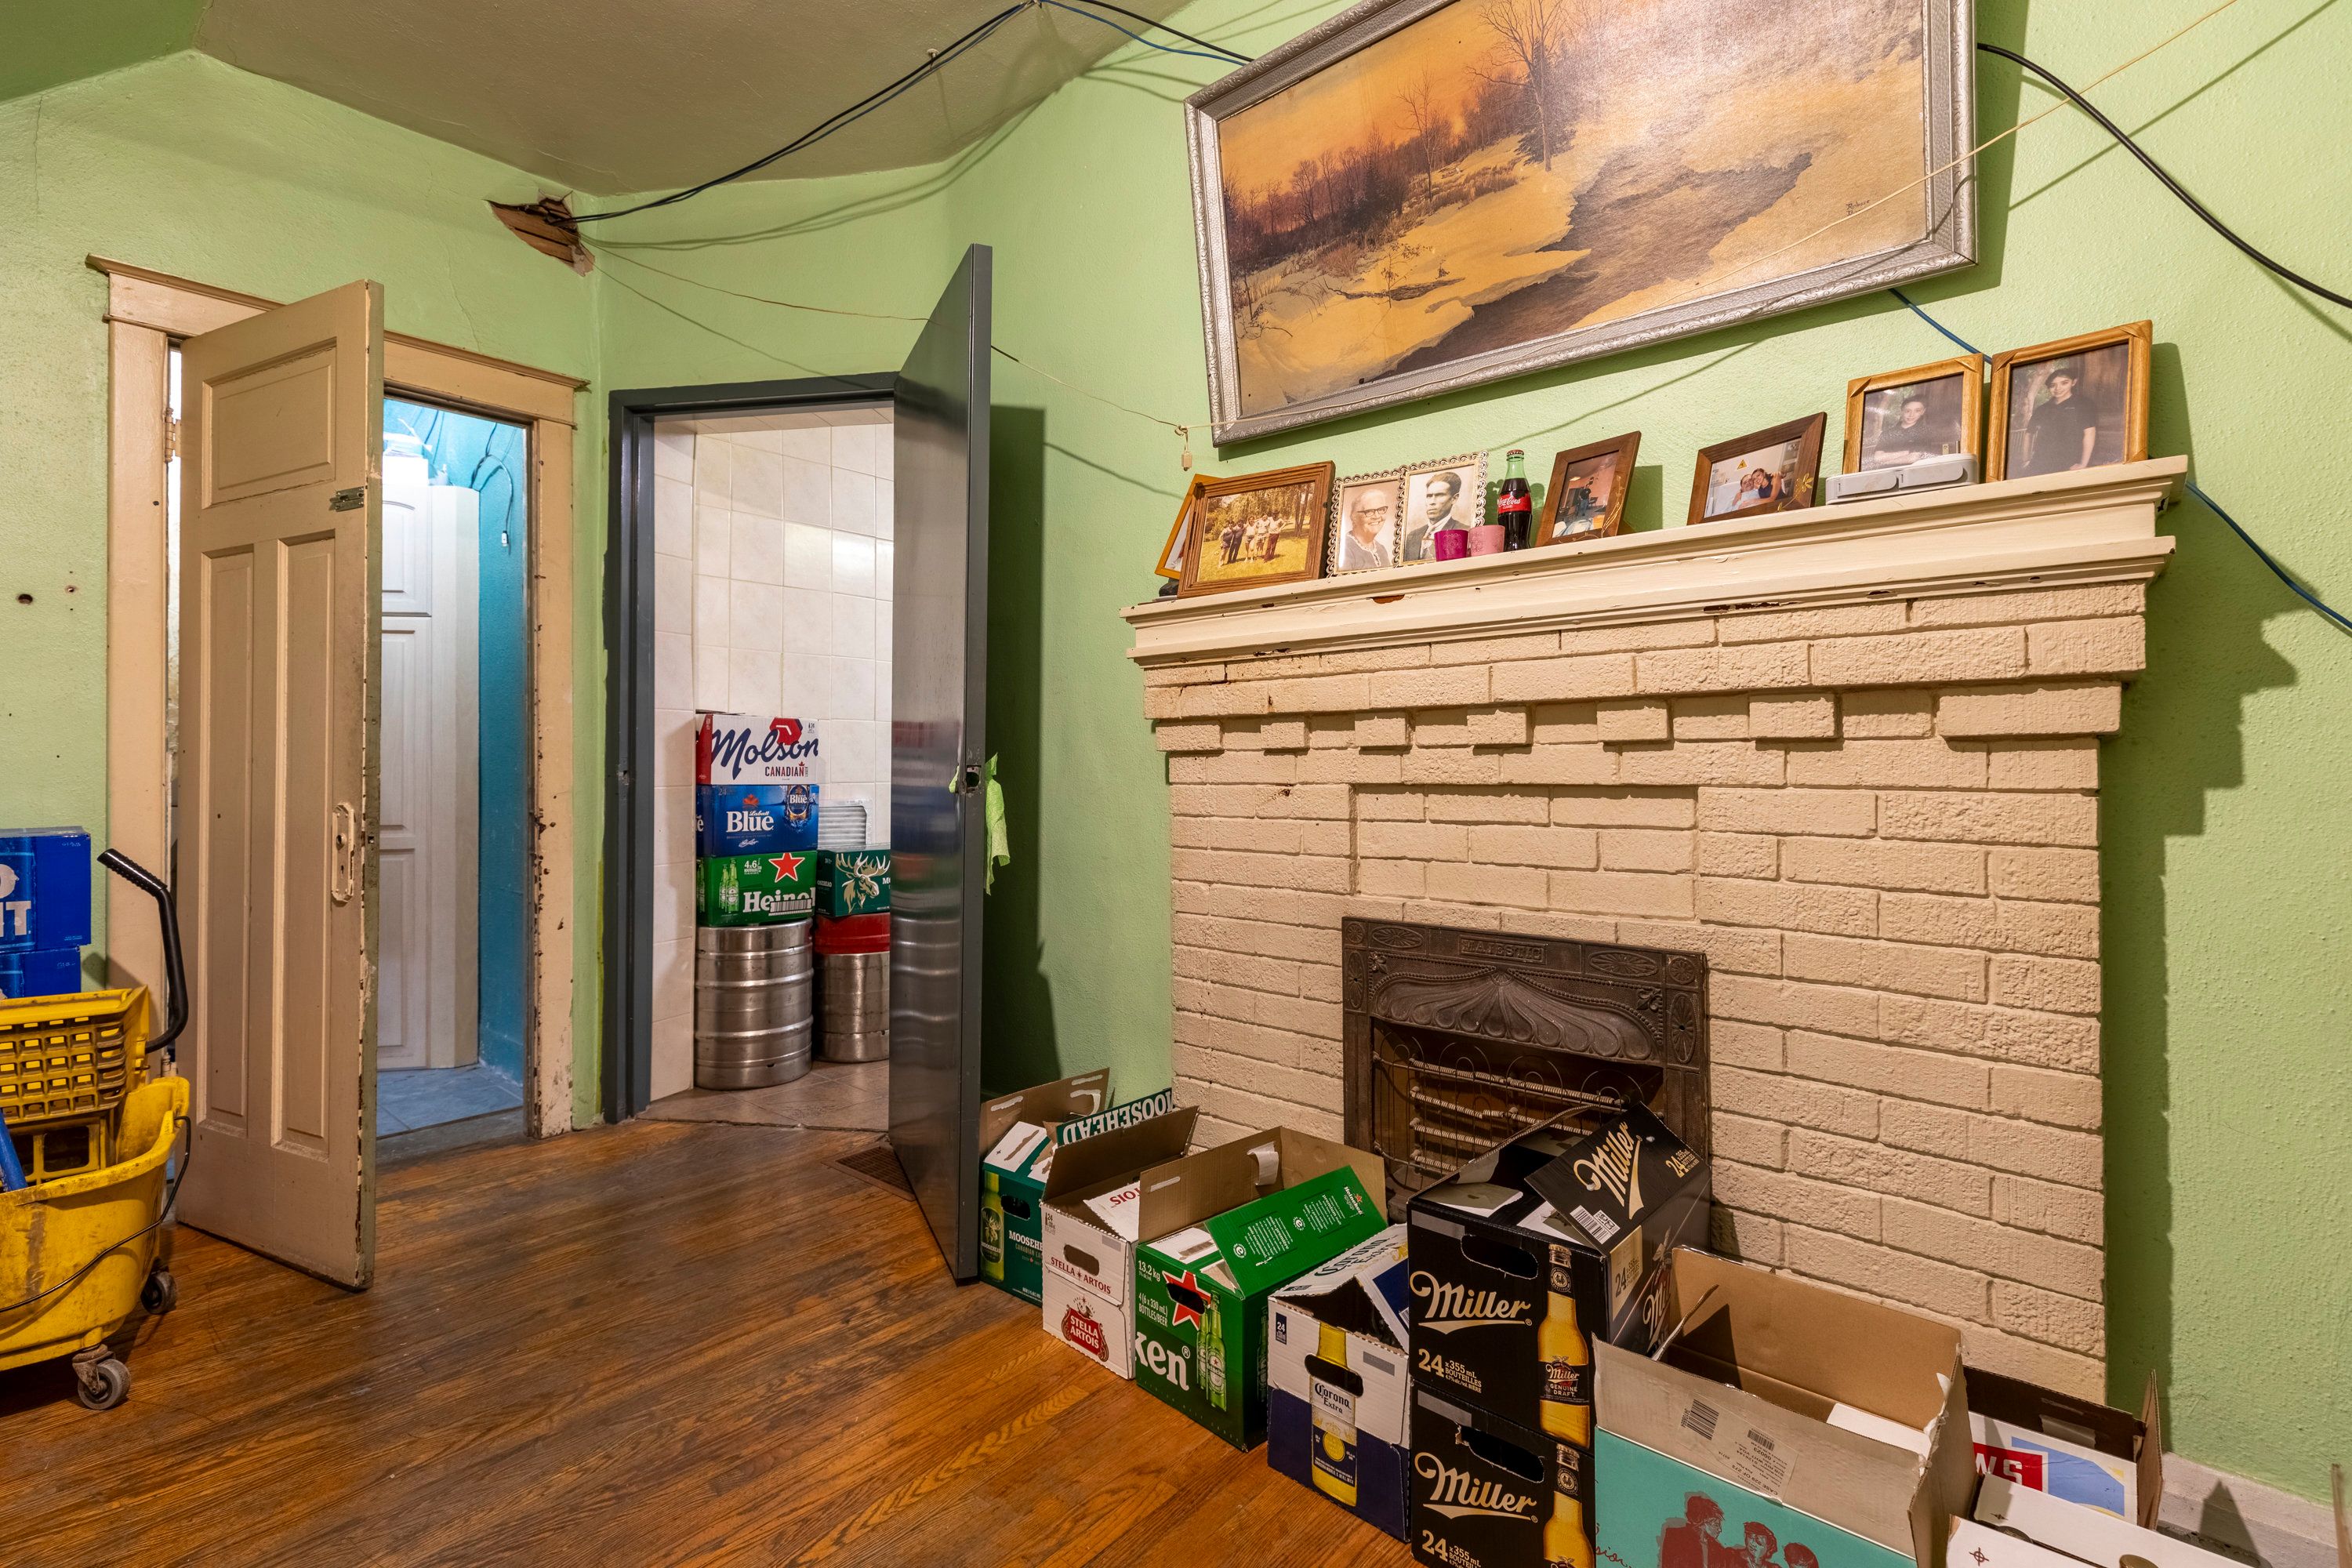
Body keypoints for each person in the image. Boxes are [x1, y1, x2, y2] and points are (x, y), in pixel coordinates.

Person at [2020, 364, 2101, 475]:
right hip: (2040, 463)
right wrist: (2026, 460)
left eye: (2064, 383)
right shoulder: (2042, 409)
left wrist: (2083, 463)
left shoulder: (2084, 405)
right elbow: (2029, 434)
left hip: (2069, 463)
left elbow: (2090, 433)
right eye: (2053, 385)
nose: (2058, 388)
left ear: (2073, 382)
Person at [1867, 391, 1951, 468]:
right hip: (1887, 474)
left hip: (1915, 473)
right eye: (1908, 411)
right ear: (1902, 411)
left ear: (1923, 411)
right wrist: (1907, 452)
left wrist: (1886, 461)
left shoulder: (1926, 432)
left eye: (1917, 411)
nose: (1911, 415)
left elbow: (1915, 457)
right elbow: (1877, 458)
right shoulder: (1887, 433)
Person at [1404, 469, 1467, 562]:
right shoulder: (1412, 536)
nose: (1432, 502)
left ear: (1454, 498)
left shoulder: (1464, 532)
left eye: (1440, 495)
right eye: (1429, 496)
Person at [1660, 1494, 1727, 1568]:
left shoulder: (1718, 1549)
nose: (1720, 1530)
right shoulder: (1676, 1537)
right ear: (1702, 1523)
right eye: (1716, 1525)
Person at [1338, 485, 1396, 571]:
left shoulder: (1381, 550)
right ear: (1355, 517)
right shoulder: (1344, 548)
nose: (1377, 516)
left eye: (1381, 509)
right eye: (1369, 511)